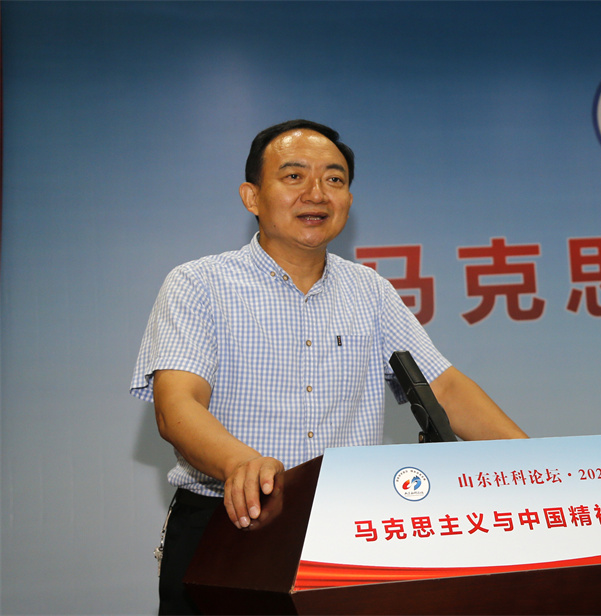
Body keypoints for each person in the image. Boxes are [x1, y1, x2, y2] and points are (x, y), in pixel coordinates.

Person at [130, 119, 528, 614]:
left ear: (349, 200)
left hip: (347, 528)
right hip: (229, 523)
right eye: (294, 176)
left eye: (334, 179)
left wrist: (532, 463)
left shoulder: (370, 290)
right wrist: (240, 464)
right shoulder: (199, 284)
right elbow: (176, 406)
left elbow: (443, 389)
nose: (316, 194)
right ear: (252, 197)